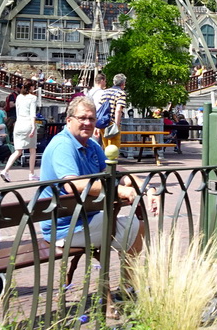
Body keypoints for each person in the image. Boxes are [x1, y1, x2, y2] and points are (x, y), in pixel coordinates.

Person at [38, 96, 147, 267]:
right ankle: (128, 288)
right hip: (65, 228)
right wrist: (118, 190)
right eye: (82, 118)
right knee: (135, 228)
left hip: (85, 217)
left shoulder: (91, 144)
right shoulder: (63, 145)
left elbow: (113, 171)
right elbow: (72, 185)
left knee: (135, 226)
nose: (87, 123)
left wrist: (137, 182)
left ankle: (128, 287)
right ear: (69, 120)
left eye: (91, 118)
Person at [13, 80, 39, 180]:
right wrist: (33, 127)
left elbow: (17, 111)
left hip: (19, 123)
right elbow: (33, 114)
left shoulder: (19, 97)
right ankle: (31, 173)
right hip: (28, 123)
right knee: (32, 150)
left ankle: (5, 170)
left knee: (18, 151)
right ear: (31, 87)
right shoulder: (33, 98)